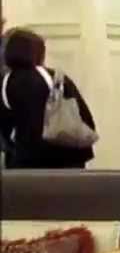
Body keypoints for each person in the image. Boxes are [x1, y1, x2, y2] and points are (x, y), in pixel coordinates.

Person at [0, 28, 96, 168]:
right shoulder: (58, 78)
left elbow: (6, 127)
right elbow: (86, 119)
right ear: (38, 53)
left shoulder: (8, 82)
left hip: (27, 164)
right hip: (67, 160)